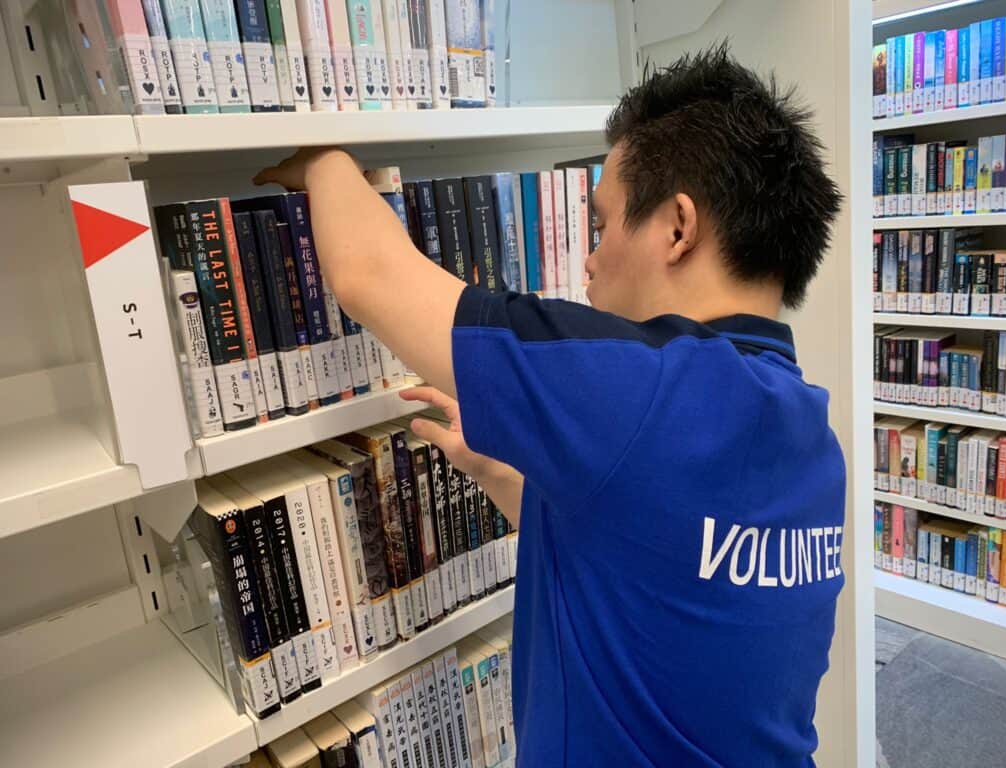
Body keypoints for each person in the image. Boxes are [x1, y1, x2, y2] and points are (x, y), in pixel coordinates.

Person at [256, 43, 844, 768]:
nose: (590, 259)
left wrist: (323, 161)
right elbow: (650, 563)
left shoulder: (642, 385)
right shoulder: (811, 437)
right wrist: (499, 472)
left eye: (601, 224)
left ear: (678, 227)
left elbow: (368, 275)